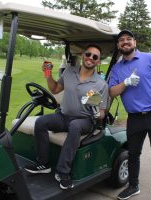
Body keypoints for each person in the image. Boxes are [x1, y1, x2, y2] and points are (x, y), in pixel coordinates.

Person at [24, 44, 108, 190]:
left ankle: (63, 172)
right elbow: (55, 89)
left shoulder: (101, 84)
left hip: (85, 120)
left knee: (75, 126)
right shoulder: (69, 71)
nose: (90, 58)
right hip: (63, 116)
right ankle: (43, 164)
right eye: (88, 54)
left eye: (95, 57)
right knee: (41, 122)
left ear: (98, 62)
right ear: (83, 55)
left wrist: (95, 110)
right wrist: (48, 74)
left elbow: (102, 113)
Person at [108, 30, 151, 200]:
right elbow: (112, 92)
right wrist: (125, 83)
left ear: (135, 42)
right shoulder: (117, 68)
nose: (125, 42)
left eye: (128, 39)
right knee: (133, 154)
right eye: (121, 40)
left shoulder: (150, 58)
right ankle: (133, 186)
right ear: (118, 45)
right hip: (135, 118)